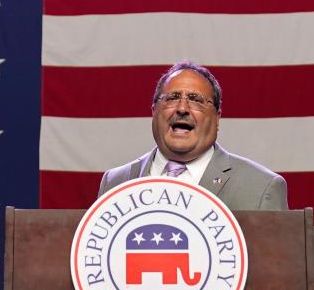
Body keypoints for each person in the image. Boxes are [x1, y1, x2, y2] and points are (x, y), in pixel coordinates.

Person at [97, 61, 288, 211]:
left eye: (196, 100)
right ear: (154, 111)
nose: (182, 108)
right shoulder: (115, 182)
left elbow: (277, 260)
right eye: (171, 98)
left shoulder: (261, 188)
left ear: (217, 117)